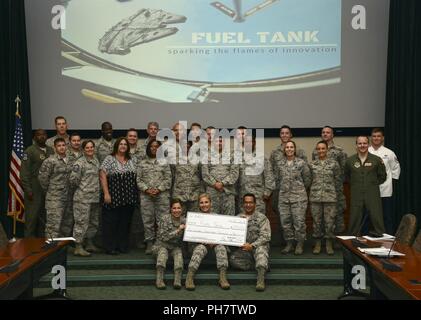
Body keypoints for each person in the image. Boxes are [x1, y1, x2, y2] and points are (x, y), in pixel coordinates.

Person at [100, 137, 138, 254]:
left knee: (125, 223)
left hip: (129, 197)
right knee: (111, 223)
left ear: (128, 147)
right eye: (121, 144)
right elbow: (102, 174)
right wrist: (106, 193)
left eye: (125, 144)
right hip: (113, 196)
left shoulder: (133, 159)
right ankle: (110, 247)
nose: (123, 146)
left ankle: (122, 246)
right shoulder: (109, 158)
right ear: (116, 146)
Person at [272, 140, 312, 255]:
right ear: (284, 150)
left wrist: (298, 190)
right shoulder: (280, 164)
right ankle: (289, 244)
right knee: (285, 222)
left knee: (299, 222)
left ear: (295, 149)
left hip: (299, 198)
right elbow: (277, 179)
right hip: (284, 198)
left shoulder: (301, 163)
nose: (289, 149)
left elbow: (307, 180)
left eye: (291, 147)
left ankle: (299, 244)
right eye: (287, 147)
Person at [185, 193, 230, 291]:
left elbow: (223, 234)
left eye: (206, 202)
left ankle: (222, 277)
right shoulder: (194, 218)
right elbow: (190, 236)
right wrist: (200, 239)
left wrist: (216, 240)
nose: (204, 204)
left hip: (214, 247)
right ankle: (190, 277)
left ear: (210, 203)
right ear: (198, 204)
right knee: (200, 248)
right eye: (201, 202)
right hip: (198, 247)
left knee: (221, 247)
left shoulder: (217, 217)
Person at [345, 136, 387, 236]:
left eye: (364, 143)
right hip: (356, 193)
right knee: (355, 216)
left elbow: (382, 176)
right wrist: (356, 184)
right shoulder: (350, 161)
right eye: (360, 143)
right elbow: (347, 176)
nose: (362, 145)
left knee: (376, 216)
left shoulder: (376, 160)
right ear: (356, 145)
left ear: (368, 144)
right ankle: (352, 239)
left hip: (372, 193)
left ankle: (380, 237)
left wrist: (372, 184)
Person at [229, 194, 271, 291]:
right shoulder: (237, 218)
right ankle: (261, 265)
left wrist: (252, 245)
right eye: (246, 202)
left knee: (261, 253)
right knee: (232, 259)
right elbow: (232, 235)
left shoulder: (262, 218)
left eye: (251, 202)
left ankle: (260, 280)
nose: (248, 205)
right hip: (244, 249)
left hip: (257, 247)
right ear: (243, 204)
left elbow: (266, 236)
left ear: (255, 204)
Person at [136, 140, 172, 254]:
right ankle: (149, 243)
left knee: (163, 220)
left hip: (162, 196)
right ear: (148, 148)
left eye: (156, 146)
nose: (154, 148)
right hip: (146, 197)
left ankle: (161, 242)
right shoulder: (142, 163)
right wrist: (147, 189)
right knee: (148, 220)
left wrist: (158, 189)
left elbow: (168, 179)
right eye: (152, 146)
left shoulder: (165, 162)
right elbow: (138, 180)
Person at [312, 126, 347, 234]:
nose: (325, 134)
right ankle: (322, 240)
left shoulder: (339, 151)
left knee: (337, 215)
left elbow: (343, 170)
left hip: (336, 189)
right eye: (323, 132)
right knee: (321, 217)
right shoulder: (315, 151)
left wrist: (338, 188)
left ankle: (338, 240)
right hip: (321, 191)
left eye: (328, 132)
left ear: (332, 135)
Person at [309, 141, 342, 255]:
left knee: (329, 222)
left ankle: (329, 243)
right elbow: (308, 181)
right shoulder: (312, 164)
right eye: (319, 149)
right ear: (316, 151)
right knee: (316, 222)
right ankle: (318, 243)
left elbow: (338, 181)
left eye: (323, 148)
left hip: (330, 197)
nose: (321, 151)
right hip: (315, 197)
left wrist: (337, 196)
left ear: (327, 150)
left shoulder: (334, 164)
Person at [70, 140, 101, 257]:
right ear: (83, 150)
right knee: (81, 222)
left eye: (91, 147)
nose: (90, 149)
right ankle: (78, 246)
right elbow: (73, 181)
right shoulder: (79, 163)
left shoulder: (96, 161)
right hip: (82, 199)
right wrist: (84, 189)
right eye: (87, 148)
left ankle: (89, 243)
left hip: (94, 198)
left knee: (93, 222)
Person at [21, 129, 55, 237]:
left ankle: (42, 243)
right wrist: (28, 190)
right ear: (34, 137)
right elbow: (24, 172)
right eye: (39, 135)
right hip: (34, 187)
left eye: (44, 134)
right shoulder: (30, 151)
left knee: (45, 217)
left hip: (48, 188)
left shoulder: (51, 150)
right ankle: (29, 244)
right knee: (32, 217)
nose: (42, 136)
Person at [368, 128, 401, 234]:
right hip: (369, 190)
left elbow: (395, 168)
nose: (376, 138)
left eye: (378, 136)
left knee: (386, 216)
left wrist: (393, 183)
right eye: (374, 136)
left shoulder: (389, 153)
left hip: (385, 190)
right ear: (371, 138)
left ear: (382, 138)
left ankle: (389, 238)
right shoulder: (366, 151)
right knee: (370, 216)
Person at [38, 138, 72, 238]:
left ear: (66, 146)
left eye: (63, 145)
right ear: (55, 147)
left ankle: (62, 249)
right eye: (59, 145)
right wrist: (52, 190)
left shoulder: (71, 159)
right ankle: (50, 250)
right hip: (55, 198)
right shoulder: (49, 161)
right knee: (53, 225)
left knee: (66, 225)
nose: (62, 147)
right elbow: (42, 179)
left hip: (68, 197)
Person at [237, 135, 275, 215]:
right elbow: (235, 176)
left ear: (254, 143)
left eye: (251, 141)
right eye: (246, 142)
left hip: (258, 197)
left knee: (258, 221)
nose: (249, 144)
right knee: (243, 222)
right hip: (242, 197)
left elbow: (269, 175)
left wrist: (267, 193)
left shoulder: (262, 157)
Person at [202, 136, 239, 216]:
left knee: (229, 218)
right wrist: (215, 183)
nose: (219, 143)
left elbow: (234, 173)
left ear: (224, 143)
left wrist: (222, 183)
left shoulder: (232, 155)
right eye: (216, 141)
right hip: (212, 193)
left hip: (227, 192)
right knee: (212, 218)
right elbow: (205, 174)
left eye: (221, 141)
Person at [154, 199, 186, 290]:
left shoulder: (184, 220)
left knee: (179, 255)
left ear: (182, 209)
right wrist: (178, 230)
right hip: (161, 245)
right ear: (171, 209)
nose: (177, 210)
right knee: (163, 253)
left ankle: (177, 281)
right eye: (174, 208)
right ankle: (159, 280)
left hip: (174, 247)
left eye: (179, 208)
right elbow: (164, 237)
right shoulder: (165, 219)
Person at [126, 128, 146, 250]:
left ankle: (139, 240)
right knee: (125, 213)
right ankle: (125, 240)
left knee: (139, 215)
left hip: (139, 187)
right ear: (126, 137)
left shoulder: (143, 151)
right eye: (130, 136)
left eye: (134, 136)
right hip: (125, 187)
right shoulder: (122, 149)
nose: (132, 138)